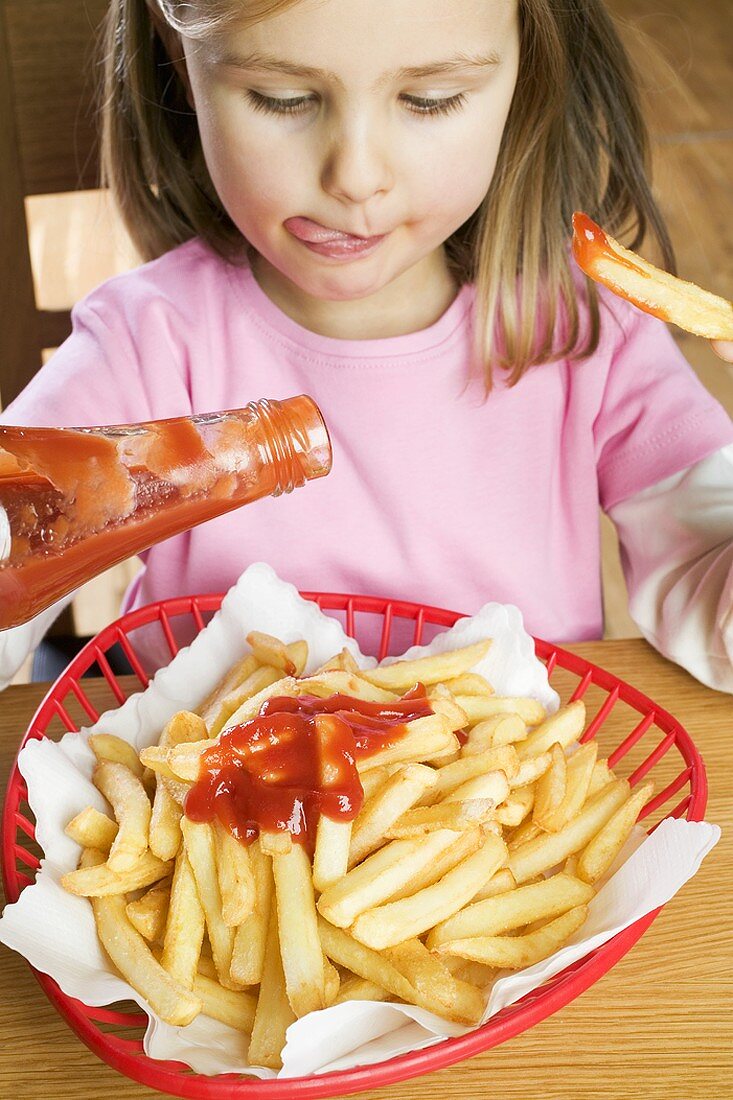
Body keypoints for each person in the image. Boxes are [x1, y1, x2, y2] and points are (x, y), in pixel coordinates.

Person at [1, 0, 732, 690]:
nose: (354, 178)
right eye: (282, 99)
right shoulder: (148, 342)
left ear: (528, 71)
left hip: (504, 809)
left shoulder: (592, 335)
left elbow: (710, 596)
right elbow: (17, 538)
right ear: (182, 62)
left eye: (430, 100)